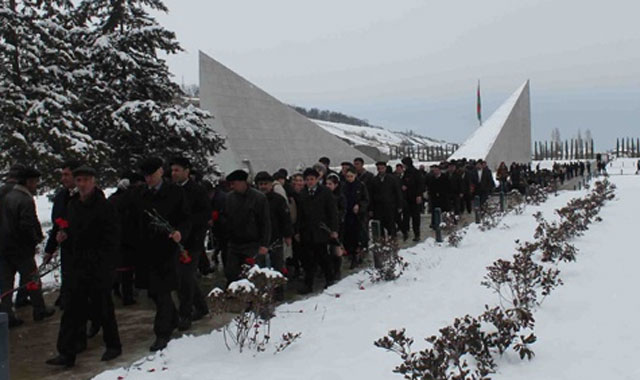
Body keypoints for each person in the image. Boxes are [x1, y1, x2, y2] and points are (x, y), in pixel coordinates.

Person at [46, 166, 122, 367]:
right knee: (71, 310)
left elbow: (112, 238)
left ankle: (113, 345)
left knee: (103, 308)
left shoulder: (104, 206)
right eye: (78, 180)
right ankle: (66, 352)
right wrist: (63, 237)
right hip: (76, 266)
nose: (82, 184)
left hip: (98, 267)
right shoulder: (72, 205)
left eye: (86, 180)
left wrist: (105, 264)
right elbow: (69, 230)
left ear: (94, 181)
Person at [133, 157, 191, 351]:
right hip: (146, 251)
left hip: (167, 249)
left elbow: (185, 218)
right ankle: (173, 318)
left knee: (162, 290)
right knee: (154, 292)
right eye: (146, 176)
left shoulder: (175, 192)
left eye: (151, 175)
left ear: (160, 172)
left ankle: (162, 332)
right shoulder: (141, 194)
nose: (148, 179)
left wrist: (180, 232)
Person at [0, 166, 55, 328]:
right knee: (33, 277)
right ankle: (39, 309)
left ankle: (7, 315)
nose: (36, 185)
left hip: (3, 246)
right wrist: (35, 240)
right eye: (35, 182)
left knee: (6, 283)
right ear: (29, 181)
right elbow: (27, 225)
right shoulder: (24, 199)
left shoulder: (6, 196)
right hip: (20, 248)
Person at [170, 156, 210, 331]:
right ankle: (201, 306)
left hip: (192, 242)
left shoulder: (197, 191)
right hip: (174, 240)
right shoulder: (170, 190)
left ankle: (185, 314)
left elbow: (204, 215)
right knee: (183, 277)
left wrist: (189, 230)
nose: (174, 173)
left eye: (177, 170)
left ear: (187, 171)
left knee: (184, 278)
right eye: (172, 170)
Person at [222, 169, 271, 284]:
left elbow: (265, 222)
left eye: (235, 184)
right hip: (234, 244)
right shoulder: (229, 198)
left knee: (252, 275)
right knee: (232, 273)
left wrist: (264, 244)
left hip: (252, 244)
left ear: (243, 182)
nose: (232, 187)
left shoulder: (258, 198)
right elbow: (226, 219)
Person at [296, 168, 338, 294]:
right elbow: (299, 214)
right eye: (307, 180)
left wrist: (334, 229)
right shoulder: (303, 194)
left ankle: (329, 280)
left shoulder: (325, 192)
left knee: (323, 256)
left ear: (317, 179)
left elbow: (332, 212)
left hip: (321, 230)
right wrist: (297, 231)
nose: (309, 182)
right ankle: (308, 284)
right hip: (306, 231)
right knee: (308, 260)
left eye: (312, 179)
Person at [254, 171, 293, 297]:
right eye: (261, 184)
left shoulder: (278, 200)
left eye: (266, 184)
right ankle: (261, 291)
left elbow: (286, 218)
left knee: (277, 265)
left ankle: (278, 292)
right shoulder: (254, 200)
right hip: (259, 239)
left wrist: (287, 235)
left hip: (275, 237)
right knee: (259, 266)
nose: (263, 186)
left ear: (271, 185)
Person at [342, 167, 369, 268]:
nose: (349, 178)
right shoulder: (343, 186)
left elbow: (366, 199)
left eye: (351, 176)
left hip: (358, 216)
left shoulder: (360, 186)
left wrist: (359, 206)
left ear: (355, 176)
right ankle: (351, 253)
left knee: (358, 236)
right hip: (347, 215)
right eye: (347, 176)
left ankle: (357, 255)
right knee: (347, 237)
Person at [369, 161, 402, 239]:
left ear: (385, 168)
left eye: (382, 168)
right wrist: (371, 209)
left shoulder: (392, 179)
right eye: (379, 168)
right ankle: (381, 242)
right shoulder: (374, 180)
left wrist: (399, 205)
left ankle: (393, 240)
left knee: (391, 225)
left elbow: (398, 192)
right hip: (378, 207)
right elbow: (371, 195)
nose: (380, 170)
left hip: (390, 206)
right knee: (379, 227)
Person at [400, 157, 425, 242]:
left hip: (414, 197)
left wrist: (419, 195)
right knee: (405, 216)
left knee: (415, 217)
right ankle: (406, 232)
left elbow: (420, 184)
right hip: (406, 198)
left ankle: (417, 234)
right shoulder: (405, 173)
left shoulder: (416, 173)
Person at [325, 174, 346, 279]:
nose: (328, 186)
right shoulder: (323, 195)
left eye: (330, 184)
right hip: (325, 226)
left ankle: (337, 269)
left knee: (336, 248)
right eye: (327, 184)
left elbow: (343, 211)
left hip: (337, 226)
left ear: (336, 185)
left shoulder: (339, 196)